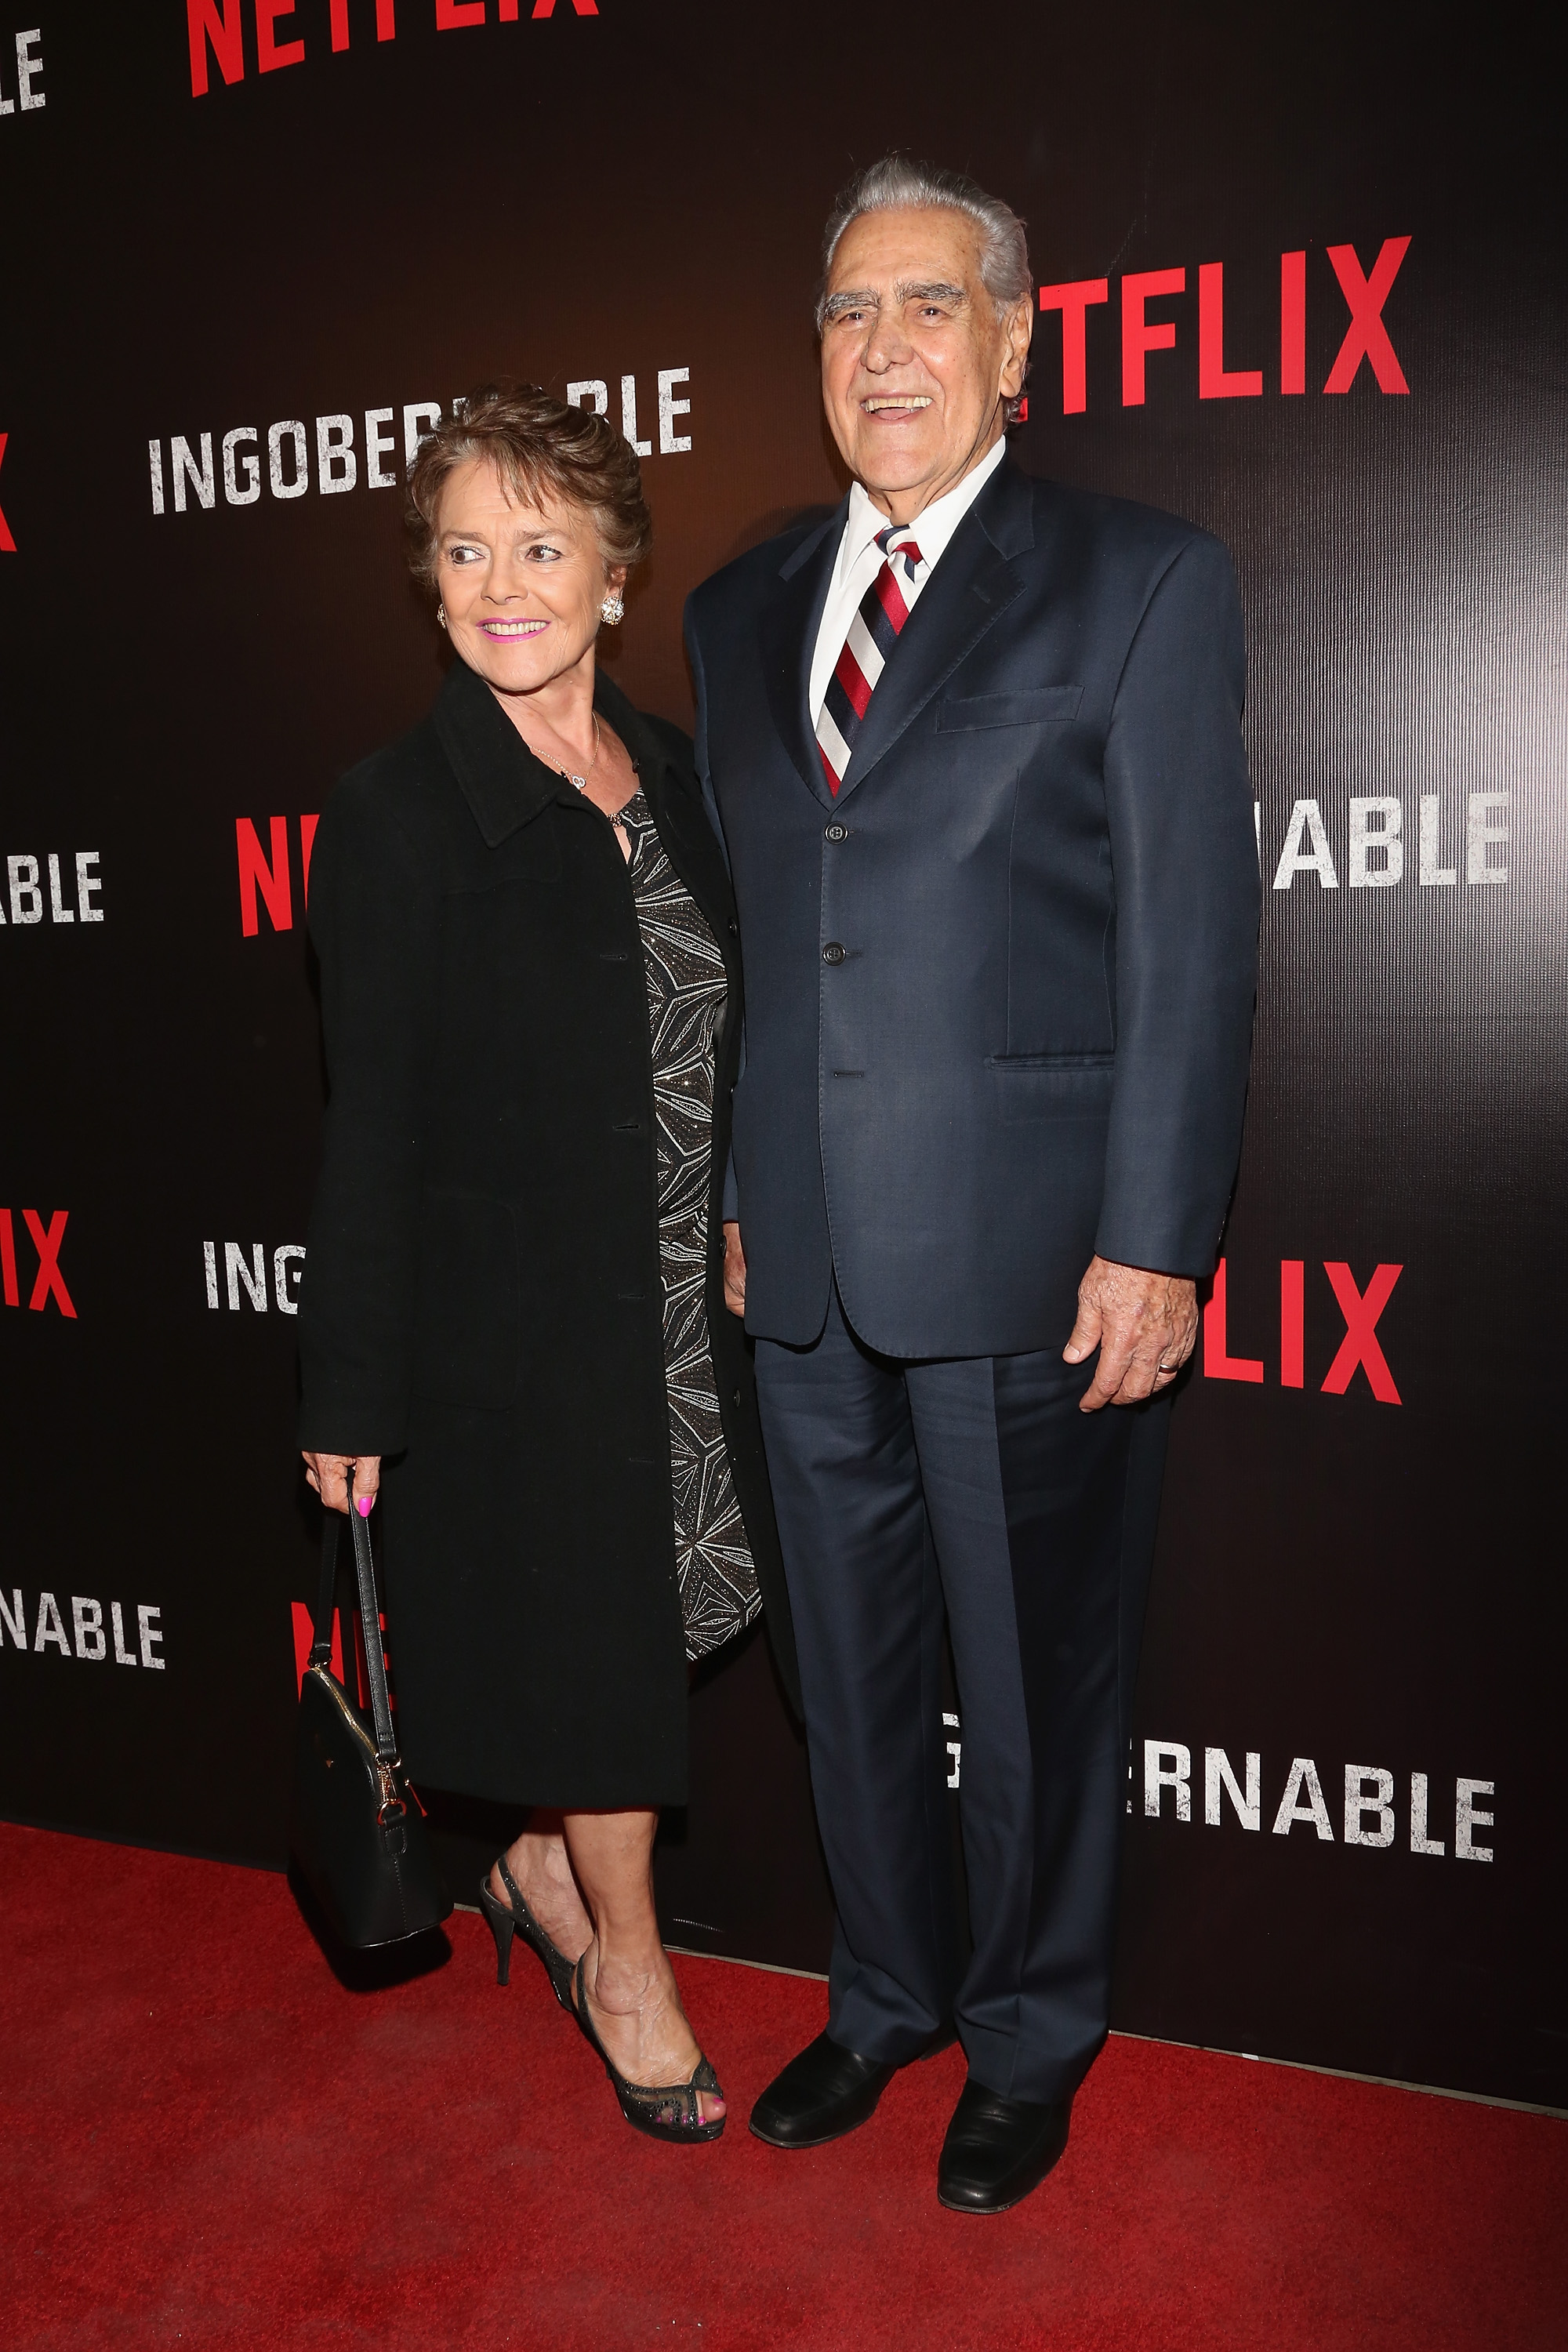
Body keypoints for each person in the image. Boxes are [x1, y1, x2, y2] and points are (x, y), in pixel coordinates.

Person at [685, 158, 1260, 2211]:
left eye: (932, 305)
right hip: (806, 1254)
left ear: (1018, 344)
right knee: (845, 1672)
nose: (887, 347)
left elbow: (1192, 947)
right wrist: (755, 1185)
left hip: (1034, 1250)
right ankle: (885, 1998)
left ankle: (1029, 2037)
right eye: (848, 313)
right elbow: (771, 942)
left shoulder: (1142, 582)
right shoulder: (736, 605)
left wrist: (1156, 1237)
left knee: (1032, 1686)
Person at [296, 381, 797, 2143]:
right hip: (508, 1335)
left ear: (613, 571)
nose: (499, 583)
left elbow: (724, 1036)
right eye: (460, 549)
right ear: (425, 582)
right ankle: (627, 1972)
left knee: (650, 1628)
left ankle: (526, 1865)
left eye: (539, 545)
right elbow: (368, 1122)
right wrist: (350, 1383)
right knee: (593, 1649)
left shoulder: (673, 774)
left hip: (679, 1315)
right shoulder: (395, 814)